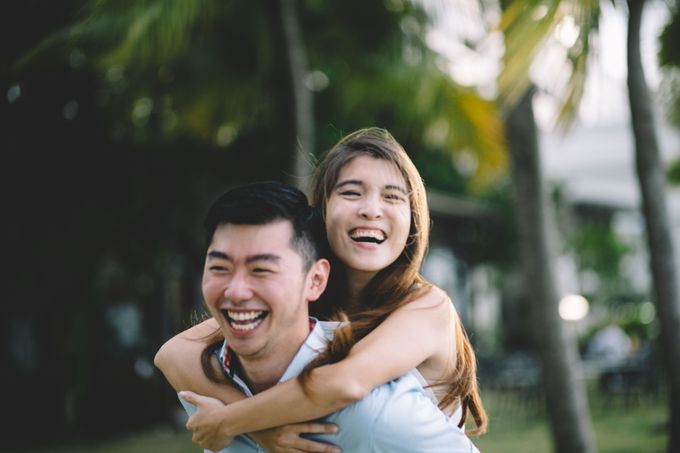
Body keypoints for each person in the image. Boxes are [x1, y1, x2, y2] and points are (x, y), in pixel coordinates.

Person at [155, 128, 487, 452]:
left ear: (413, 220)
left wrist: (229, 421)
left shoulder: (426, 306)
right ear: (323, 210)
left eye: (392, 196)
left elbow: (347, 383)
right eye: (352, 192)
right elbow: (174, 354)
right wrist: (265, 432)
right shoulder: (302, 296)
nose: (371, 209)